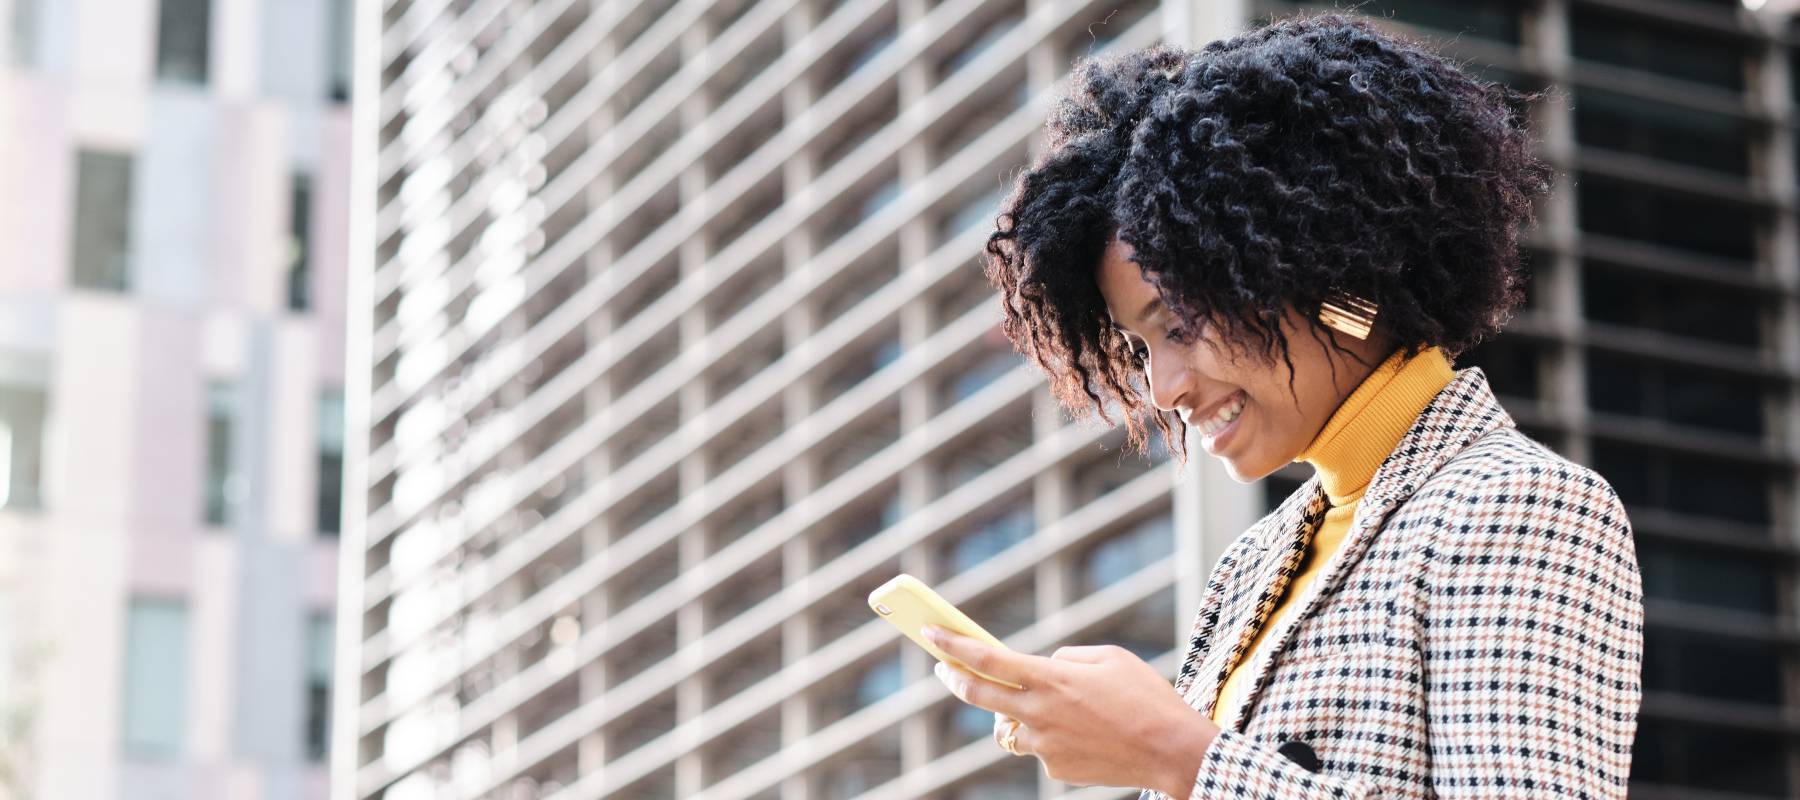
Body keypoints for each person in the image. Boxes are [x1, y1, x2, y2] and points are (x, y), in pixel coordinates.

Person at [923, 10, 1644, 799]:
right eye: (1139, 346)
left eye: (1180, 324)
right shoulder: (1252, 567)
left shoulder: (1517, 504)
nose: (1164, 387)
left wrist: (1176, 754)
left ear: (1320, 268)